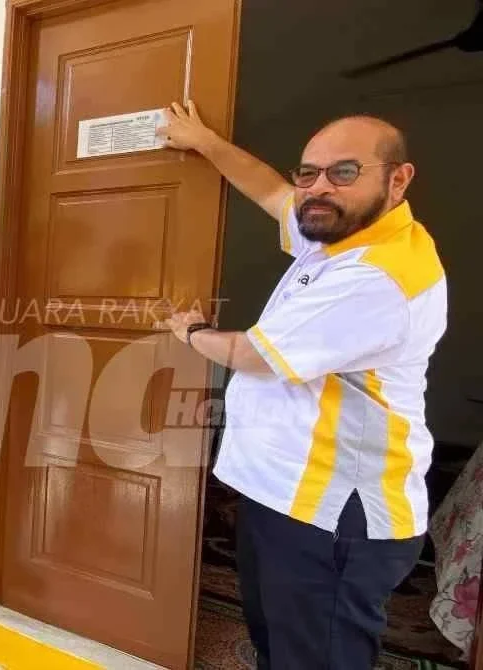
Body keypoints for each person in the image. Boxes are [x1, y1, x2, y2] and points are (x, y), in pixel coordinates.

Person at [160, 104, 446, 669]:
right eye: (309, 172)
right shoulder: (337, 233)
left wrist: (191, 331)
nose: (318, 188)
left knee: (315, 657)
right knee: (279, 642)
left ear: (398, 179)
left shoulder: (377, 274)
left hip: (335, 512)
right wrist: (203, 140)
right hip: (282, 493)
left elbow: (253, 355)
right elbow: (269, 190)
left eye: (344, 172)